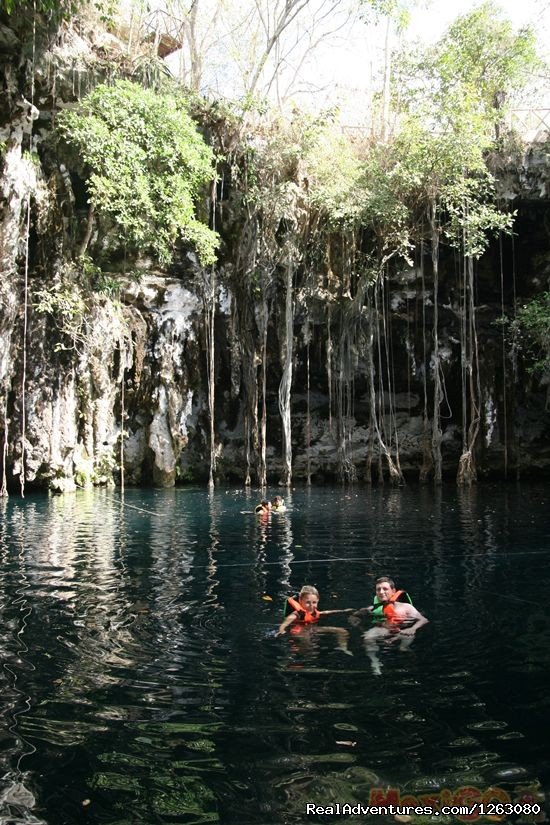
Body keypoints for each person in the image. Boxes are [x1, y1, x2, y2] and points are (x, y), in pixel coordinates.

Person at [350, 576, 428, 675]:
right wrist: (354, 620)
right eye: (378, 589)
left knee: (407, 637)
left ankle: (405, 652)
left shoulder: (406, 607)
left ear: (393, 591)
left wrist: (412, 628)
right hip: (382, 630)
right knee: (367, 637)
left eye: (385, 589)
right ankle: (374, 661)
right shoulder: (372, 609)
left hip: (402, 630)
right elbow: (354, 616)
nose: (381, 592)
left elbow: (423, 620)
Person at [276, 585, 354, 655]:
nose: (311, 606)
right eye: (308, 602)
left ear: (318, 601)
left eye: (314, 602)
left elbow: (325, 612)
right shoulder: (297, 614)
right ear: (300, 600)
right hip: (299, 631)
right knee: (308, 641)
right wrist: (281, 630)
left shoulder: (314, 612)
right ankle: (303, 654)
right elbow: (285, 623)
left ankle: (343, 648)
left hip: (312, 629)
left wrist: (343, 611)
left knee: (342, 631)